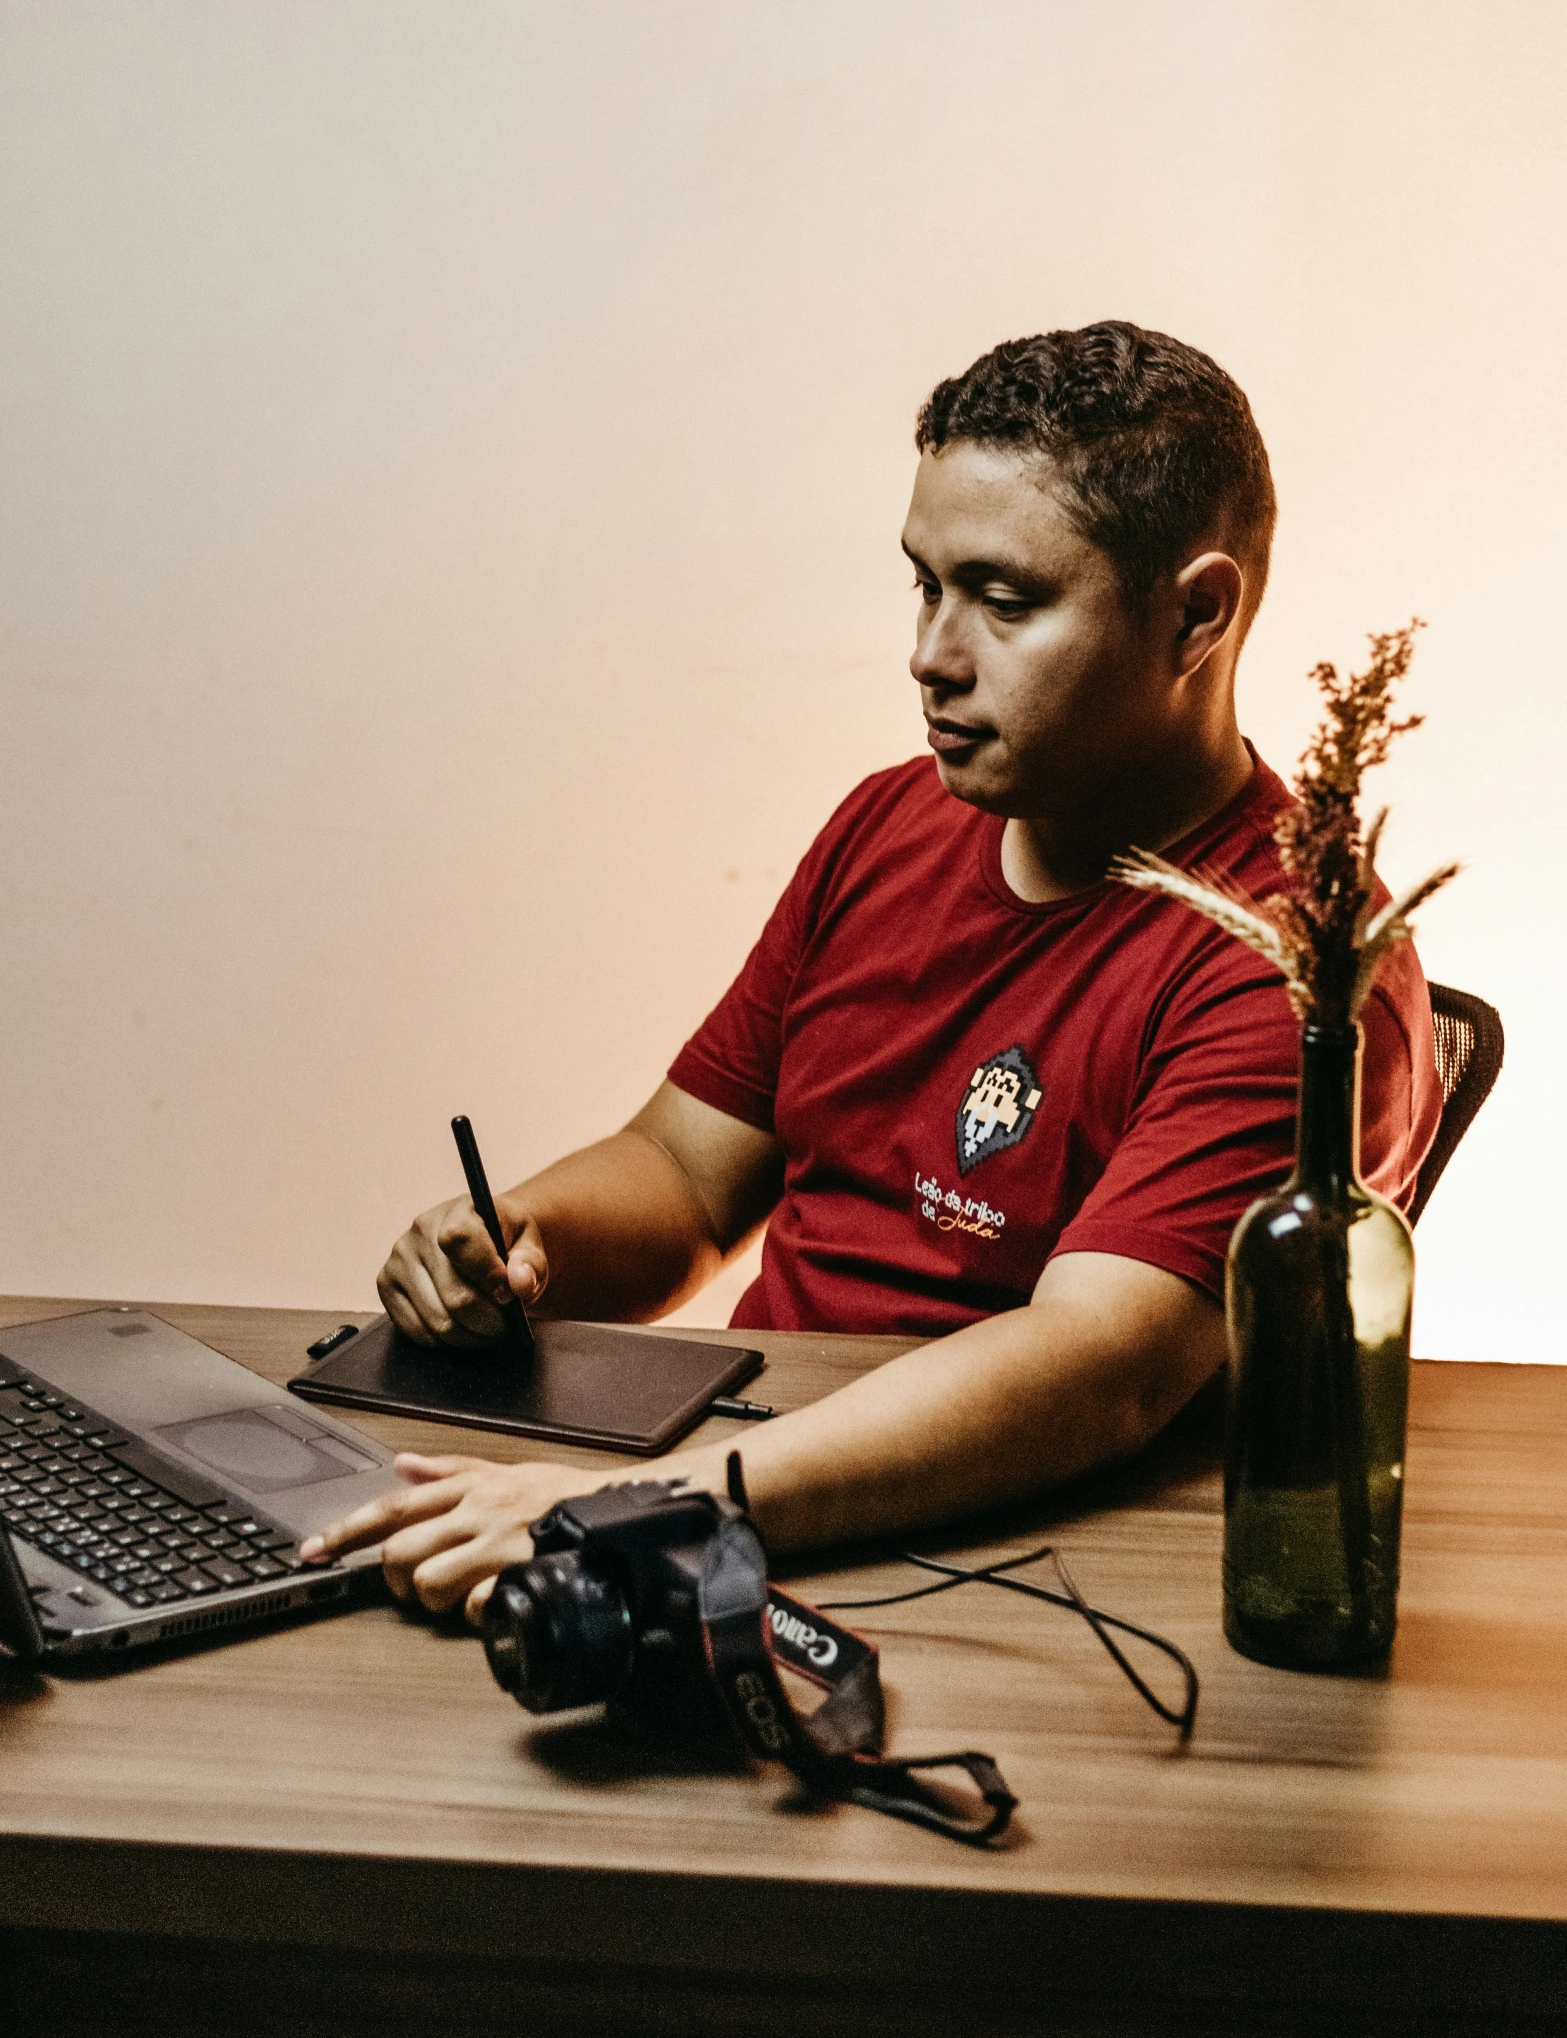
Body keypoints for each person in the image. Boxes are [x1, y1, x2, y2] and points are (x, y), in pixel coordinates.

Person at [301, 321, 1443, 1617]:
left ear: (1195, 614)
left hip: (988, 1562)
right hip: (738, 1481)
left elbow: (1097, 1369)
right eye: (924, 584)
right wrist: (522, 1240)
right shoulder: (885, 822)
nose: (931, 654)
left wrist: (648, 1512)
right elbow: (681, 1175)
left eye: (1003, 600)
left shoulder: (1292, 967)